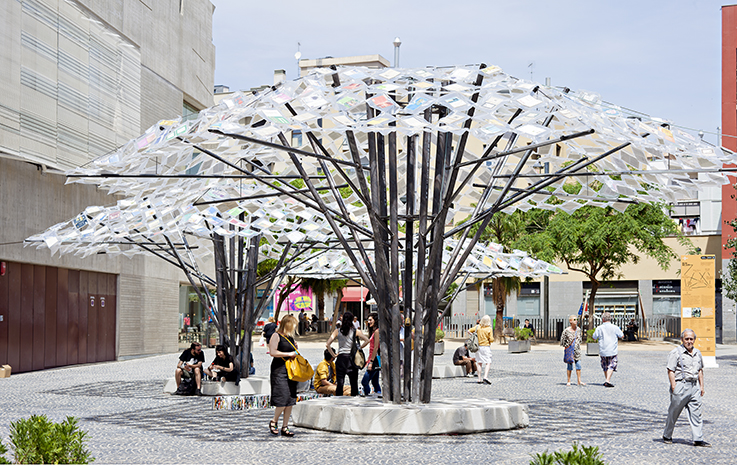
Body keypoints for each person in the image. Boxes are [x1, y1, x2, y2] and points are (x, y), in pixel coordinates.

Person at [662, 329, 710, 447]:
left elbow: (700, 370)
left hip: (694, 386)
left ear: (694, 339)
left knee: (696, 413)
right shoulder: (676, 353)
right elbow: (670, 370)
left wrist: (701, 386)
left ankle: (698, 439)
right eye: (687, 339)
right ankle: (667, 435)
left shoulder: (697, 353)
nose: (689, 341)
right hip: (681, 386)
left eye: (691, 339)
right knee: (674, 412)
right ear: (682, 339)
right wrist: (674, 386)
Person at [268, 314, 300, 437]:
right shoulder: (276, 336)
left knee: (290, 399)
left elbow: (294, 352)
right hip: (279, 370)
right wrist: (289, 354)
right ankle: (274, 421)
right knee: (282, 398)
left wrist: (295, 350)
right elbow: (273, 352)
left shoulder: (290, 338)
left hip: (292, 371)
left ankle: (285, 426)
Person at [325, 311, 369, 396]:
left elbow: (327, 344)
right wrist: (359, 348)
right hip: (352, 359)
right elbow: (367, 340)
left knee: (340, 384)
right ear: (352, 320)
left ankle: (338, 402)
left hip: (341, 358)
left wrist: (334, 355)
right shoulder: (356, 331)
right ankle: (353, 402)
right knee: (354, 383)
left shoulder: (337, 331)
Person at [592, 312, 624, 387]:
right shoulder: (615, 327)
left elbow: (594, 337)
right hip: (612, 349)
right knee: (612, 365)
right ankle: (607, 380)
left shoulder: (599, 328)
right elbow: (622, 335)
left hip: (603, 349)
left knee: (605, 365)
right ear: (611, 319)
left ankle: (607, 380)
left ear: (602, 319)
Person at [467, 315, 493, 384]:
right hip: (486, 347)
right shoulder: (489, 329)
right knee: (488, 362)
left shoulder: (478, 327)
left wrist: (474, 336)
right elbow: (491, 339)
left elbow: (469, 331)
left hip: (478, 347)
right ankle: (485, 377)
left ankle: (479, 378)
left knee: (479, 362)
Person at [560, 315, 585, 386]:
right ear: (570, 321)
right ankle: (568, 380)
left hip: (577, 350)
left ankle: (579, 380)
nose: (576, 321)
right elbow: (562, 340)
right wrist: (567, 346)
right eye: (574, 319)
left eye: (576, 319)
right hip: (570, 350)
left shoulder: (579, 329)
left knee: (578, 365)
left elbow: (580, 338)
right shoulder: (566, 331)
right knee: (569, 366)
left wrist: (578, 345)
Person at [361, 312, 381, 397]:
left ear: (375, 320)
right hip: (373, 359)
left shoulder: (377, 331)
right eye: (368, 320)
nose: (368, 321)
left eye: (370, 320)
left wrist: (371, 362)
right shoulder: (374, 331)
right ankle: (378, 394)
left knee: (364, 381)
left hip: (375, 360)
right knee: (375, 381)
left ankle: (368, 395)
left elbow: (376, 348)